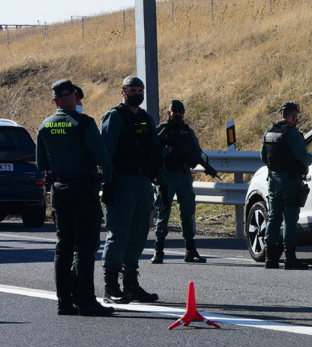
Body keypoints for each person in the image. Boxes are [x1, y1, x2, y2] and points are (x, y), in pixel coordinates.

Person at [35, 79, 114, 316]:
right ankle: (86, 301)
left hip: (58, 189)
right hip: (82, 188)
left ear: (54, 100)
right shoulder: (84, 123)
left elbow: (41, 163)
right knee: (85, 247)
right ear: (76, 97)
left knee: (63, 246)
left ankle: (64, 303)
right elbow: (102, 158)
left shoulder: (45, 125)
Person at [99, 75, 168, 304]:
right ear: (123, 92)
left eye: (140, 89)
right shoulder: (114, 117)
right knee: (119, 233)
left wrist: (161, 182)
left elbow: (155, 153)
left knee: (139, 234)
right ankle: (111, 287)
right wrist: (106, 184)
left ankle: (131, 284)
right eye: (133, 89)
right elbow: (106, 153)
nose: (137, 93)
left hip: (143, 183)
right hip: (121, 182)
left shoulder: (147, 119)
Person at [259, 101, 312, 269]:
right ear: (294, 116)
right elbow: (303, 157)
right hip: (289, 180)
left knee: (274, 216)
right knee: (290, 217)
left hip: (273, 180)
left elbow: (263, 157)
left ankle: (270, 258)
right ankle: (290, 258)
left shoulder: (269, 131)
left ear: (281, 114)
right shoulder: (292, 133)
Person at [151, 100, 206, 264]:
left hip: (184, 175)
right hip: (167, 174)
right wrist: (167, 151)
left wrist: (192, 158)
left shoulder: (188, 132)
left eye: (181, 115)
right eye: (175, 114)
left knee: (188, 211)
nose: (178, 118)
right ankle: (158, 250)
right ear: (169, 114)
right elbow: (151, 151)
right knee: (163, 210)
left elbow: (197, 151)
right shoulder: (161, 131)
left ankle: (190, 250)